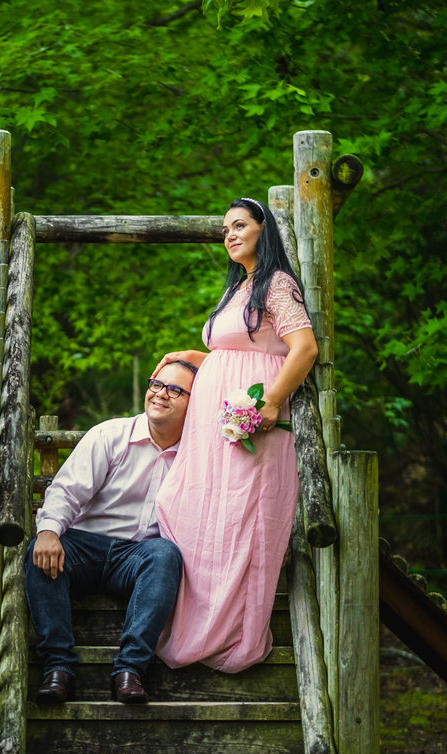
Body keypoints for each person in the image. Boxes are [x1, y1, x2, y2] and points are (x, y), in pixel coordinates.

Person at [149, 197, 318, 674]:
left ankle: (233, 637)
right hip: (213, 430)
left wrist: (269, 403)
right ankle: (196, 624)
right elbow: (234, 352)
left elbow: (303, 349)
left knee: (242, 523)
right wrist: (189, 355)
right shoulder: (239, 288)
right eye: (225, 229)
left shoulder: (277, 283)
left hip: (253, 427)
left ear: (265, 230)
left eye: (240, 225)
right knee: (191, 510)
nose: (229, 234)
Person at [25, 360, 195, 704]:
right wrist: (48, 530)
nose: (160, 393)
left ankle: (129, 670)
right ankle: (58, 669)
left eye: (174, 389)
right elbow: (68, 490)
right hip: (82, 547)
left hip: (137, 557)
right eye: (156, 383)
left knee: (165, 555)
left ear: (195, 402)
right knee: (37, 552)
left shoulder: (196, 455)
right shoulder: (111, 435)